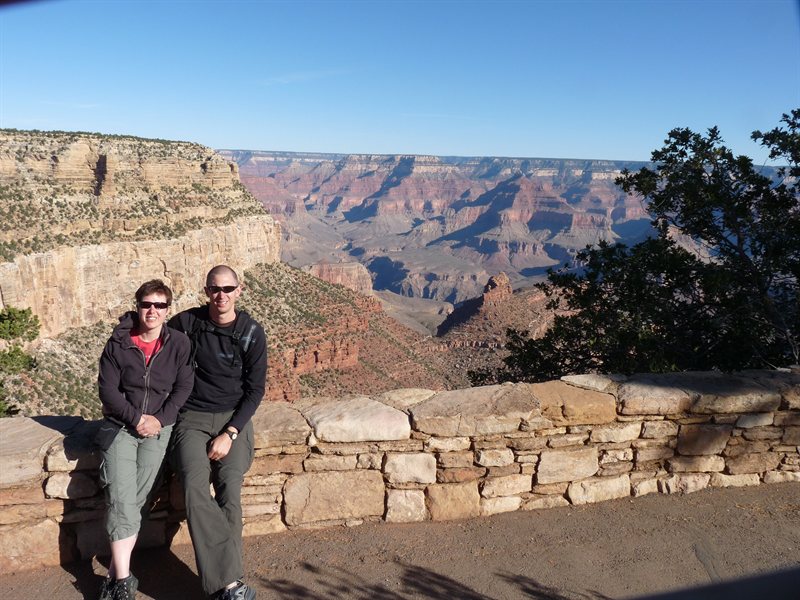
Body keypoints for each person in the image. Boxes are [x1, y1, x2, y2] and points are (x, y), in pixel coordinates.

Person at [168, 265, 267, 600]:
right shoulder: (187, 323)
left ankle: (226, 583)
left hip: (233, 419)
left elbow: (255, 391)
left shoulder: (252, 333)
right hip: (192, 418)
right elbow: (151, 334)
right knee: (194, 487)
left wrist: (231, 433)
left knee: (229, 490)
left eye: (227, 288)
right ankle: (231, 585)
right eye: (214, 289)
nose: (221, 295)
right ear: (206, 291)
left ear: (239, 290)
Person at [96, 279, 194, 600]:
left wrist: (159, 420)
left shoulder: (179, 343)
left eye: (159, 305)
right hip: (121, 426)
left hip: (158, 428)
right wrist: (137, 418)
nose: (152, 311)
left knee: (136, 498)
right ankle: (123, 581)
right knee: (121, 498)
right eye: (146, 304)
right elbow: (108, 391)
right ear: (137, 306)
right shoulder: (118, 343)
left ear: (168, 310)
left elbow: (183, 388)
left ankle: (113, 572)